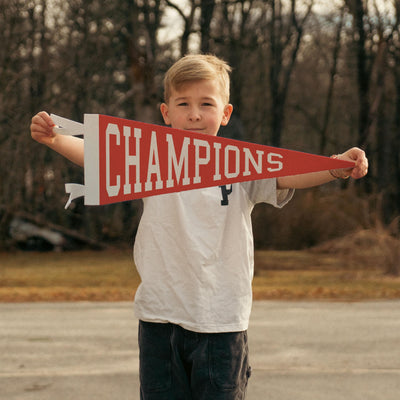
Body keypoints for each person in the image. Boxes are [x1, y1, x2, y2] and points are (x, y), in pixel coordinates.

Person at [31, 54, 368, 399]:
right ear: (166, 113)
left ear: (225, 113)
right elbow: (102, 156)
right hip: (160, 318)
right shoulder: (152, 160)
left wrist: (334, 167)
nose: (194, 114)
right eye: (183, 103)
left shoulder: (240, 163)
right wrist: (56, 140)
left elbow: (288, 173)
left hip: (221, 320)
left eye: (206, 103)